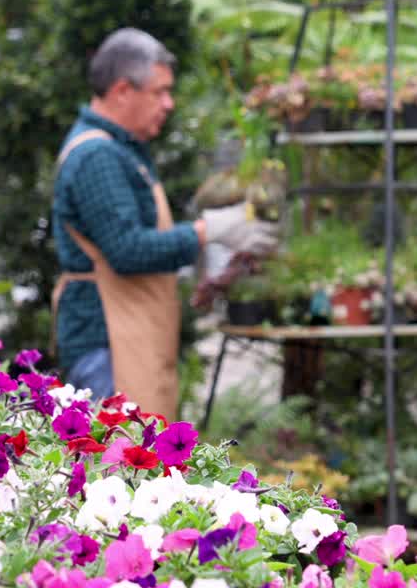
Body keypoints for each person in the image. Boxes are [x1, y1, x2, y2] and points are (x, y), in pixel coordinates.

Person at [51, 27, 280, 419]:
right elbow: (127, 250)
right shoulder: (97, 157)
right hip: (107, 344)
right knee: (116, 467)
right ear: (123, 91)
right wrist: (210, 230)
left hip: (129, 338)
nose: (169, 103)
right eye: (159, 92)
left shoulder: (122, 150)